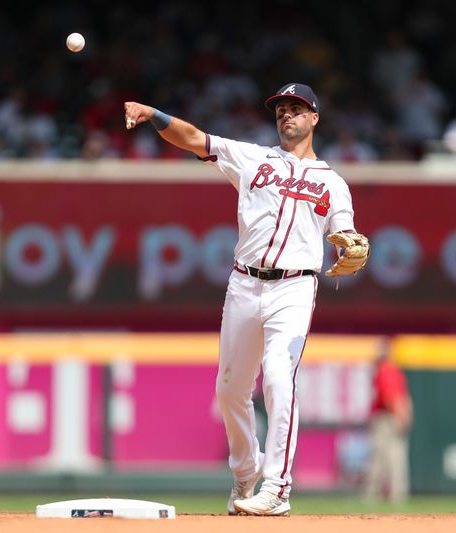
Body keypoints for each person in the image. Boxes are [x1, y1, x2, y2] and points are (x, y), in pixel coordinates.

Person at [124, 83, 366, 516]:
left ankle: (277, 487)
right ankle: (245, 472)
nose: (286, 115)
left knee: (277, 376)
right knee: (230, 389)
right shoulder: (253, 158)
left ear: (314, 118)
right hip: (244, 283)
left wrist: (348, 244)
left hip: (294, 286)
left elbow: (343, 229)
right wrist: (152, 113)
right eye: (281, 109)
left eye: (296, 109)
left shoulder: (333, 182)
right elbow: (196, 139)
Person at [363, 338, 413, 503]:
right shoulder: (393, 370)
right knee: (395, 456)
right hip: (393, 415)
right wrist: (404, 414)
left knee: (382, 457)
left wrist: (400, 414)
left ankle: (374, 494)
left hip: (386, 417)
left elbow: (391, 396)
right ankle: (397, 495)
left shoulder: (386, 370)